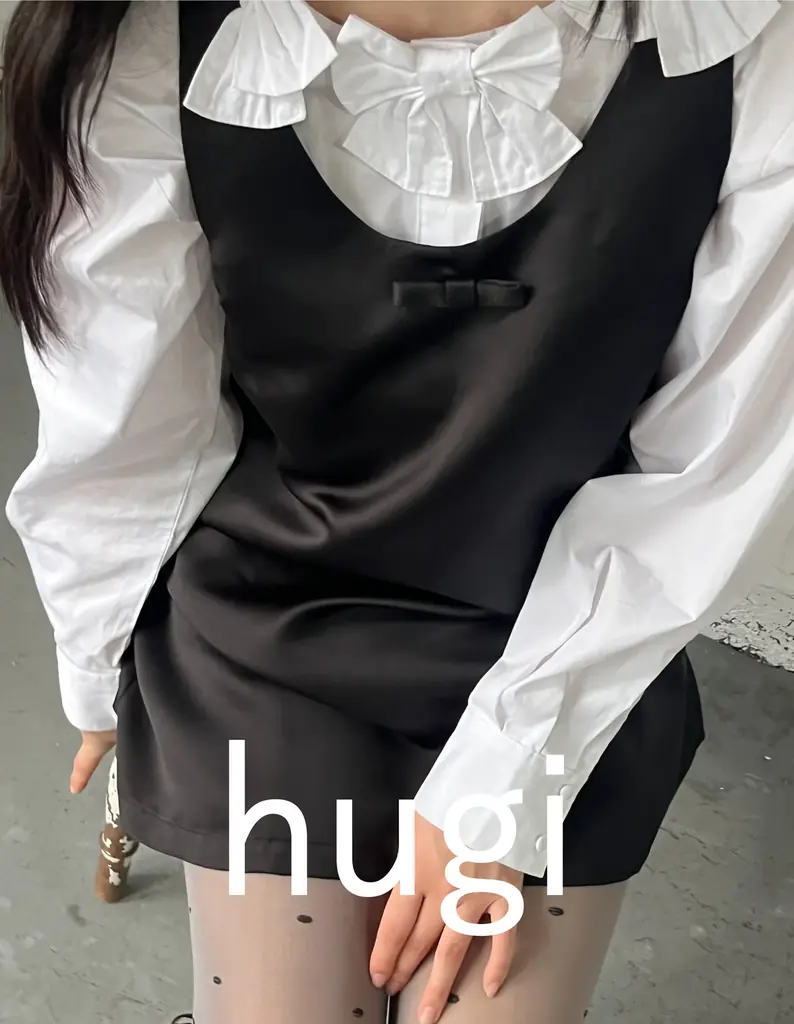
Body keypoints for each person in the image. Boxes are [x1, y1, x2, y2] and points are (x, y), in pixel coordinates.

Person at [2, 1, 793, 1022]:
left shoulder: (742, 34)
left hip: (572, 625)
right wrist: (100, 660)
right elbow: (132, 426)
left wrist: (505, 780)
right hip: (268, 623)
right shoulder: (148, 39)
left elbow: (709, 472)